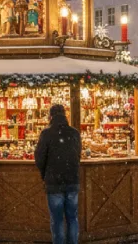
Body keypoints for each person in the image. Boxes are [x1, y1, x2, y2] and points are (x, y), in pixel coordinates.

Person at [35, 104, 81, 244]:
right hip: (72, 181)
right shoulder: (74, 133)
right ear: (65, 115)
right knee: (72, 218)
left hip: (54, 182)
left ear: (50, 116)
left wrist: (45, 173)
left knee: (57, 219)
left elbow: (39, 158)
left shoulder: (47, 133)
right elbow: (77, 155)